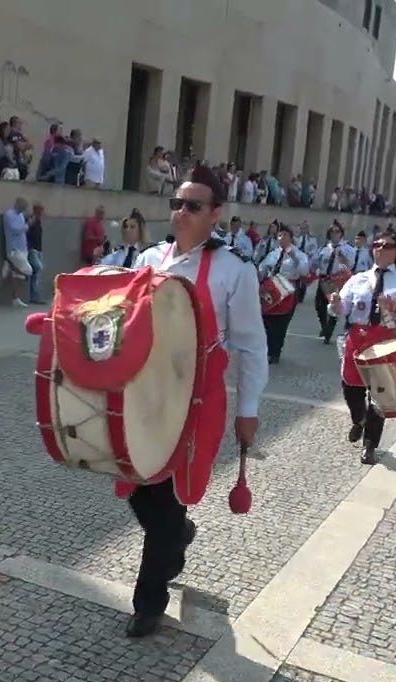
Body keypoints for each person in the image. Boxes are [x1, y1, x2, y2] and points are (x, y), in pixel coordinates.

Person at [124, 165, 267, 638]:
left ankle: (149, 602)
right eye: (177, 203)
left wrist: (248, 412)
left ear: (215, 214)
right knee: (142, 492)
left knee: (164, 499)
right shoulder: (147, 259)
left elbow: (249, 345)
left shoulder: (234, 269)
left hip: (196, 404)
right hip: (145, 395)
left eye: (193, 206)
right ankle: (177, 535)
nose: (181, 212)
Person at [329, 231, 396, 465]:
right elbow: (342, 309)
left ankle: (370, 445)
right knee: (350, 386)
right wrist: (337, 304)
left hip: (386, 339)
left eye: (388, 245)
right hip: (358, 337)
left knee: (380, 393)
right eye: (378, 244)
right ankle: (358, 419)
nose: (381, 248)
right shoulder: (358, 278)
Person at [257, 226, 310, 364]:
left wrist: (295, 258)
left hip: (287, 291)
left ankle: (275, 352)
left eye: (285, 235)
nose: (282, 238)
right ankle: (267, 349)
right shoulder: (273, 253)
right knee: (267, 320)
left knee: (281, 323)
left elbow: (304, 272)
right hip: (271, 288)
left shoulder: (299, 254)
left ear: (291, 237)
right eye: (280, 235)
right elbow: (262, 268)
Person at [313, 223, 356, 344]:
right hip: (324, 279)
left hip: (337, 280)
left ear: (341, 233)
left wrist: (343, 260)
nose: (334, 234)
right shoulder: (324, 248)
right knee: (319, 305)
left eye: (337, 231)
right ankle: (324, 326)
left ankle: (328, 332)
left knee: (334, 305)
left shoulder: (348, 249)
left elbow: (350, 266)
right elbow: (316, 262)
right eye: (332, 231)